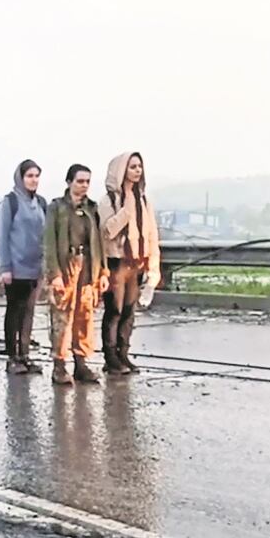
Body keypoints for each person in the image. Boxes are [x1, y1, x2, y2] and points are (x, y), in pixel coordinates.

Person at [44, 165, 110, 385]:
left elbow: (99, 242)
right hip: (66, 264)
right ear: (69, 182)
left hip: (88, 265)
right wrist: (54, 273)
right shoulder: (57, 208)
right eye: (80, 181)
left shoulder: (92, 208)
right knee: (62, 315)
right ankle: (60, 364)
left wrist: (102, 272)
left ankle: (81, 362)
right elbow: (49, 242)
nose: (84, 185)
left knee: (85, 315)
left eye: (87, 182)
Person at [99, 152, 161, 375]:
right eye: (132, 166)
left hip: (136, 262)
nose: (137, 171)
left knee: (128, 311)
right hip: (116, 262)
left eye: (139, 166)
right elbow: (107, 231)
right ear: (121, 170)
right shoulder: (109, 200)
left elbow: (152, 233)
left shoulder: (144, 199)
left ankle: (123, 353)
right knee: (113, 310)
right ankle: (111, 357)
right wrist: (126, 209)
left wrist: (153, 268)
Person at [0, 159, 47, 375]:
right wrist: (4, 267)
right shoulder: (10, 202)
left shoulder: (41, 203)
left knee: (29, 312)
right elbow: (2, 235)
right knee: (14, 312)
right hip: (15, 268)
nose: (33, 180)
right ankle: (12, 357)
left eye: (36, 176)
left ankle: (25, 354)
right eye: (29, 176)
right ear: (20, 177)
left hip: (35, 268)